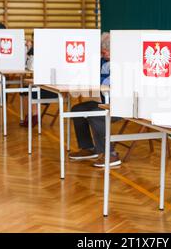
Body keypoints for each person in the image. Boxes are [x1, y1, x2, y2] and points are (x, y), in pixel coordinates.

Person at [68, 32, 121, 167]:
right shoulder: (103, 61)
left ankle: (111, 154)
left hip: (122, 105)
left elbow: (107, 82)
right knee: (77, 109)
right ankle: (88, 148)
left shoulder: (121, 62)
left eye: (105, 52)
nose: (103, 55)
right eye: (102, 52)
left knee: (95, 113)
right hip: (106, 102)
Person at [19, 37, 58, 127]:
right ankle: (33, 115)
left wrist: (30, 50)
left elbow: (31, 67)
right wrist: (30, 49)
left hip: (51, 89)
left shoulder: (46, 53)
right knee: (26, 89)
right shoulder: (47, 51)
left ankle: (34, 115)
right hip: (47, 86)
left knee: (29, 89)